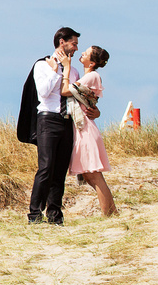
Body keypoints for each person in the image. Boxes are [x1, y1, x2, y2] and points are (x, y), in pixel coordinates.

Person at [17, 26, 98, 225]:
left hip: (67, 121)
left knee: (60, 170)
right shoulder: (42, 65)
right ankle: (34, 214)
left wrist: (96, 111)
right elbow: (43, 93)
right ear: (62, 42)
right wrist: (56, 72)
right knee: (46, 167)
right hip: (48, 119)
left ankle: (55, 215)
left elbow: (78, 97)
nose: (77, 48)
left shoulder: (76, 71)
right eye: (74, 43)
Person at [68, 46, 117, 217]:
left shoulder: (92, 76)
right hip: (84, 128)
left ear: (93, 62)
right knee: (90, 176)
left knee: (95, 176)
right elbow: (90, 101)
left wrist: (66, 67)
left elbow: (69, 90)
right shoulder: (88, 77)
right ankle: (111, 213)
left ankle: (110, 215)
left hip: (86, 130)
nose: (82, 53)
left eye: (86, 53)